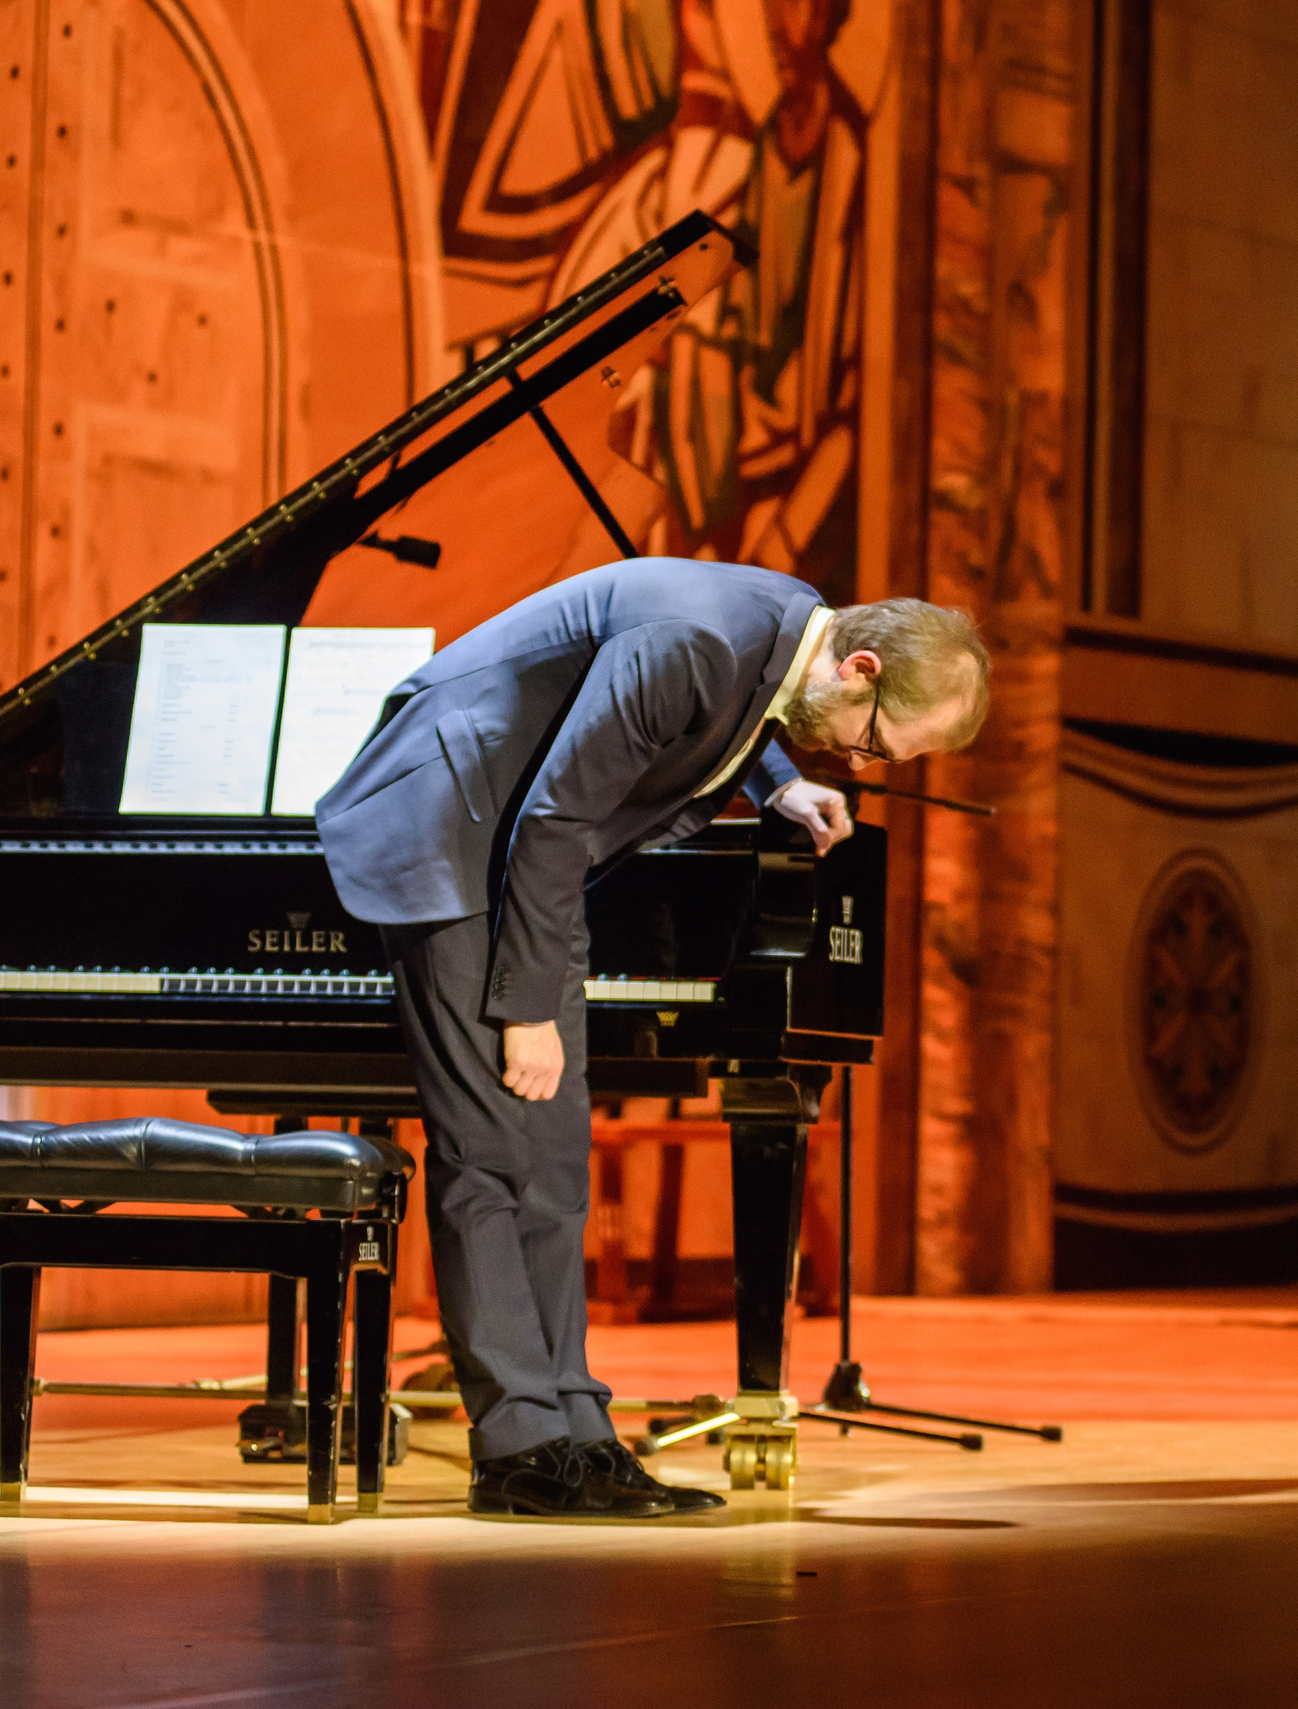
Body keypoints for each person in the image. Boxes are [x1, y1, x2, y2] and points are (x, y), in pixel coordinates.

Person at [316, 559, 989, 1514]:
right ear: (863, 668)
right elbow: (554, 813)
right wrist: (526, 1010)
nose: (859, 759)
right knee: (494, 1151)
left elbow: (736, 708)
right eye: (873, 746)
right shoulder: (701, 636)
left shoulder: (789, 628)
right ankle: (517, 1446)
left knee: (553, 1156)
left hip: (521, 849)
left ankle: (576, 1432)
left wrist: (781, 785)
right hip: (451, 826)